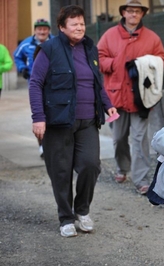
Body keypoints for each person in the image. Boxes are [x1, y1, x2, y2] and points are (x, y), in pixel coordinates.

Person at [28, 5, 117, 238]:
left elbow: (96, 81)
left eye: (82, 23)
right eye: (74, 24)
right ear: (61, 27)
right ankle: (66, 218)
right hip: (58, 122)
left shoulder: (89, 47)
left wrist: (107, 104)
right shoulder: (49, 49)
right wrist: (38, 118)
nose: (80, 27)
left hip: (88, 120)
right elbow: (35, 83)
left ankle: (82, 210)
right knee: (61, 171)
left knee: (90, 165)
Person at [97, 0, 164, 194]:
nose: (133, 14)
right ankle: (122, 168)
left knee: (139, 139)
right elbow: (98, 59)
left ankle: (141, 179)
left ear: (142, 14)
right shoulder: (109, 35)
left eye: (137, 11)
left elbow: (162, 62)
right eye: (130, 11)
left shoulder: (152, 38)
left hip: (141, 98)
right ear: (124, 13)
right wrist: (115, 63)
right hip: (115, 98)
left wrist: (146, 63)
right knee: (119, 138)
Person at [13, 18, 53, 158]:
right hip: (35, 85)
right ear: (35, 30)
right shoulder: (26, 45)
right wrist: (22, 68)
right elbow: (17, 56)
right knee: (39, 114)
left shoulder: (56, 43)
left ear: (49, 30)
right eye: (39, 28)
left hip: (54, 85)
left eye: (45, 28)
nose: (42, 31)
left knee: (54, 113)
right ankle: (42, 145)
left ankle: (54, 144)